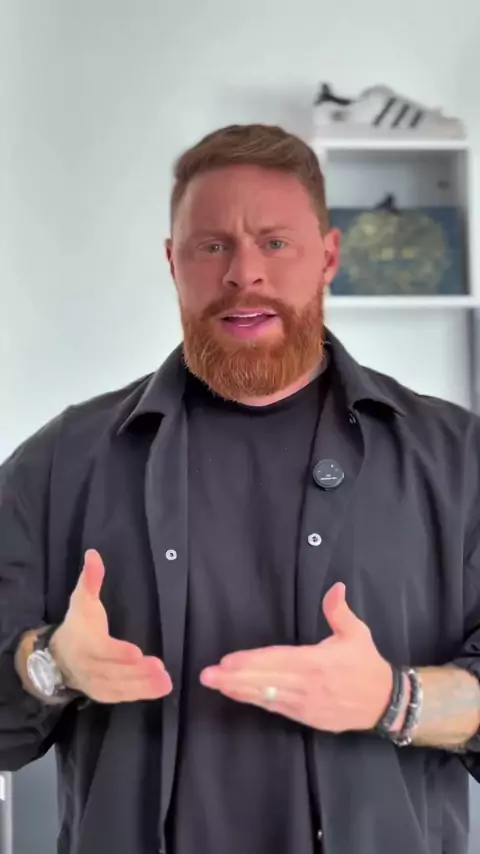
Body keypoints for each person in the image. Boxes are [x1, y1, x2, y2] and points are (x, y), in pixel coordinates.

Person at [0, 123, 479, 854]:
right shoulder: (62, 461)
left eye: (275, 242)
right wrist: (51, 664)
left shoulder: (459, 460)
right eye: (212, 245)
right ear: (174, 262)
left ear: (328, 256)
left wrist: (396, 699)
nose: (243, 273)